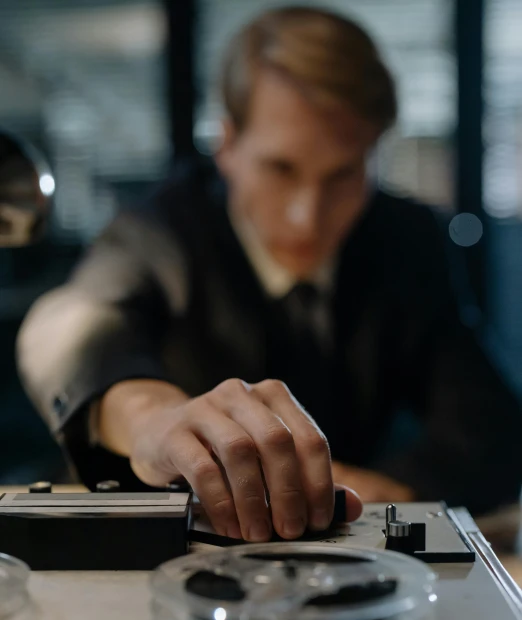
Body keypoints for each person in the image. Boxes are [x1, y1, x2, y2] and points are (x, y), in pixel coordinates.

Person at [16, 6, 522, 542]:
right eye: (281, 168)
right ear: (227, 146)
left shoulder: (406, 238)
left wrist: (379, 491)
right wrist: (154, 419)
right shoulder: (159, 229)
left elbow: (491, 422)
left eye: (344, 173)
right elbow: (70, 324)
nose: (309, 215)